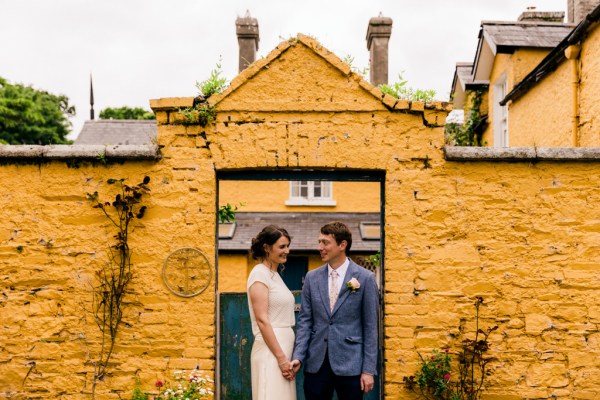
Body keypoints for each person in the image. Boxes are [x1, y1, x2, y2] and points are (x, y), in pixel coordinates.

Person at [291, 221, 379, 400]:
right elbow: (305, 321)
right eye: (319, 242)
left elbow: (370, 327)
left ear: (342, 245)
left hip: (351, 364)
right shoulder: (311, 278)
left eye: (325, 242)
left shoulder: (366, 278)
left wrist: (368, 370)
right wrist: (298, 356)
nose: (320, 247)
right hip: (316, 363)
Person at [247, 225, 297, 400]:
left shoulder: (274, 275)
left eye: (287, 246)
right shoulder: (259, 274)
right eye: (282, 247)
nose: (287, 251)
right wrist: (281, 359)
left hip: (283, 350)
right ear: (267, 248)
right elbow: (262, 320)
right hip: (272, 351)